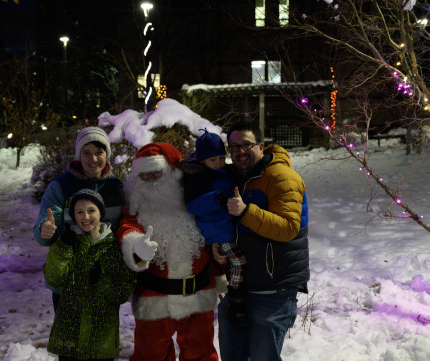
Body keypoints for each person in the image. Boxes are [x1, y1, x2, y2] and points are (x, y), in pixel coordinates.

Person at [117, 142, 227, 361]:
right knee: (151, 355)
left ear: (172, 173)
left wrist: (219, 269)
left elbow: (214, 229)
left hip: (199, 294)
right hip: (154, 298)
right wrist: (136, 244)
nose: (149, 180)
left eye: (155, 173)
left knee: (201, 354)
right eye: (143, 175)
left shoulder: (194, 198)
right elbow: (128, 227)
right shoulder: (136, 204)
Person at [215, 121, 309, 361]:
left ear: (261, 146)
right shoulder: (237, 177)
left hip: (273, 289)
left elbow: (288, 228)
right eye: (234, 146)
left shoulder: (281, 176)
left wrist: (247, 212)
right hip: (241, 288)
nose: (240, 151)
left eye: (246, 144)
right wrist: (218, 244)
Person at [33, 126, 125, 311]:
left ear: (106, 154)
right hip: (68, 283)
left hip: (104, 282)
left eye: (99, 152)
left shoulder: (117, 188)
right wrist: (46, 230)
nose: (93, 159)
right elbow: (46, 225)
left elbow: (125, 227)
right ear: (78, 155)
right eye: (86, 153)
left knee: (102, 339)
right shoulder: (61, 186)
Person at [44, 188, 136, 361]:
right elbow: (54, 278)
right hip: (69, 335)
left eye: (91, 210)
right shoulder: (68, 243)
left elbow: (122, 291)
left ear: (100, 213)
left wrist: (101, 280)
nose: (86, 217)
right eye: (79, 212)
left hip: (101, 337)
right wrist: (62, 247)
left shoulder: (112, 247)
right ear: (74, 216)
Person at [181, 129, 247, 326]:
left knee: (241, 260)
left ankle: (237, 291)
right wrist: (215, 199)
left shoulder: (227, 171)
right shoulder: (197, 178)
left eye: (221, 157)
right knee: (238, 261)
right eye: (213, 160)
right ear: (202, 161)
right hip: (216, 231)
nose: (218, 163)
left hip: (231, 227)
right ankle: (235, 295)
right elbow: (192, 205)